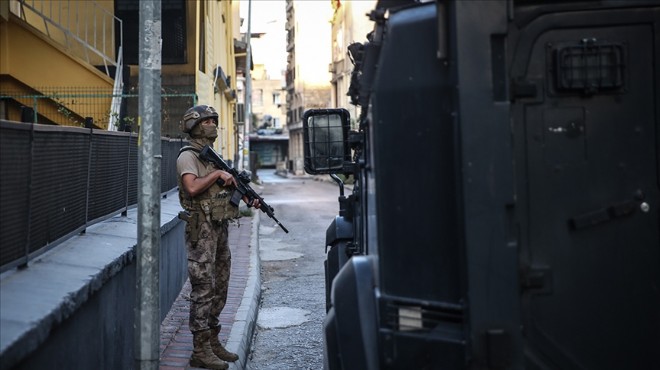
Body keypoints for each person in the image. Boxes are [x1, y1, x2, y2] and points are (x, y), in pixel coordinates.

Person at [176, 104, 259, 370]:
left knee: (221, 285)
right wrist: (216, 175)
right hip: (201, 231)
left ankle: (212, 341)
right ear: (195, 125)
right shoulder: (188, 156)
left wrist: (246, 196)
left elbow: (221, 189)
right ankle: (199, 350)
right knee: (203, 288)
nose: (213, 124)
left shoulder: (210, 156)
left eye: (214, 120)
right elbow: (191, 188)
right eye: (208, 120)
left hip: (218, 228)